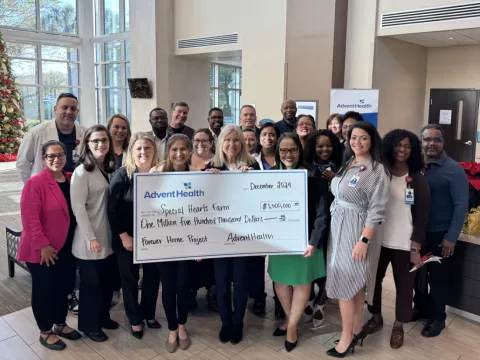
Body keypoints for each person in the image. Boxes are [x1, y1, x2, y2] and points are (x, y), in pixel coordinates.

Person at [326, 121, 390, 357]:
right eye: (353, 137)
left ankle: (346, 338)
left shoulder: (377, 170)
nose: (357, 142)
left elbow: (377, 210)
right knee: (354, 284)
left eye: (363, 137)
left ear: (372, 140)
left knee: (347, 282)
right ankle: (354, 329)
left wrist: (363, 241)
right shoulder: (348, 163)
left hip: (357, 231)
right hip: (339, 228)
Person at [362, 129, 430, 349]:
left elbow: (422, 217)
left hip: (405, 243)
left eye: (407, 146)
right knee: (374, 282)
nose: (402, 149)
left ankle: (399, 325)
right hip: (378, 241)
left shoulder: (417, 179)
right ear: (389, 146)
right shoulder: (379, 172)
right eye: (398, 145)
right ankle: (376, 317)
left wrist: (415, 247)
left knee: (404, 287)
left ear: (413, 150)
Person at [17, 140, 81, 351]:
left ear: (66, 157)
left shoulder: (72, 180)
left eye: (60, 155)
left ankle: (60, 324)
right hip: (43, 249)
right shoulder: (35, 183)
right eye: (51, 156)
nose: (56, 159)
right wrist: (43, 244)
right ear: (43, 159)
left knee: (64, 287)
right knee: (45, 290)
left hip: (66, 247)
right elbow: (30, 219)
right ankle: (46, 331)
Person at [268, 133, 327, 352]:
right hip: (279, 241)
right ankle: (289, 318)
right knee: (280, 281)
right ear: (278, 151)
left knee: (302, 282)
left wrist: (314, 241)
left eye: (293, 149)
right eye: (283, 150)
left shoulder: (312, 174)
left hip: (305, 240)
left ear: (299, 151)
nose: (288, 154)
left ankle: (292, 326)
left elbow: (322, 212)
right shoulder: (270, 174)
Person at [205, 125, 261, 344]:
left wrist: (252, 179)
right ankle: (225, 321)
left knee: (240, 280)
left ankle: (238, 322)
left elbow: (260, 199)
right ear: (220, 143)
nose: (232, 144)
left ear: (243, 143)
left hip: (243, 235)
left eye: (236, 140)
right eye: (227, 140)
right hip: (219, 236)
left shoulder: (252, 165)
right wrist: (206, 179)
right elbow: (203, 202)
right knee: (221, 281)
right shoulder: (212, 166)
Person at [412, 124, 469, 338]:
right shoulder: (416, 166)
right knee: (417, 275)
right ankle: (421, 308)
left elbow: (461, 206)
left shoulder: (453, 169)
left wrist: (451, 238)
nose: (431, 143)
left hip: (439, 234)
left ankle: (437, 318)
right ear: (421, 142)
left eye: (436, 140)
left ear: (443, 143)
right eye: (427, 139)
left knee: (437, 279)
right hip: (417, 233)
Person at [108, 132, 162, 340]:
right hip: (127, 239)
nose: (143, 152)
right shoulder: (122, 175)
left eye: (147, 148)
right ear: (131, 151)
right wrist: (124, 236)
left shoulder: (161, 173)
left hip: (154, 238)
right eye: (138, 148)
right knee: (129, 279)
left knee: (152, 278)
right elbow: (111, 210)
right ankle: (134, 319)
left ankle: (148, 313)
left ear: (154, 151)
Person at [70, 125, 118, 343]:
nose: (101, 144)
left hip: (106, 237)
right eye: (96, 141)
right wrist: (91, 238)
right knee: (92, 286)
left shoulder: (106, 168)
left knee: (106, 283)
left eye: (104, 140)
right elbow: (78, 208)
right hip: (90, 240)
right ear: (87, 145)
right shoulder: (82, 172)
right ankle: (90, 326)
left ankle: (103, 317)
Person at [150, 134, 195, 352]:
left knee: (183, 286)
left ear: (190, 151)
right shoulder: (155, 174)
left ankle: (183, 325)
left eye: (183, 149)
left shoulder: (197, 175)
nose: (179, 153)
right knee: (168, 287)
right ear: (167, 151)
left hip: (187, 242)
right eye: (174, 149)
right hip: (163, 242)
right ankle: (171, 328)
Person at [302, 130, 342, 328]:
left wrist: (335, 179)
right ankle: (309, 296)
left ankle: (321, 301)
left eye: (328, 145)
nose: (325, 149)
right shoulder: (306, 167)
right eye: (320, 146)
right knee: (311, 259)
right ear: (312, 147)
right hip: (313, 222)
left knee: (328, 261)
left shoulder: (341, 167)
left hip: (336, 223)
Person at [17, 93, 86, 183]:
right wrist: (32, 187)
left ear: (77, 112)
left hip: (77, 186)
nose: (69, 112)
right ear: (55, 109)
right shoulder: (36, 133)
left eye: (73, 109)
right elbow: (22, 164)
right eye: (64, 107)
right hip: (45, 187)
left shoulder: (85, 133)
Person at [106, 113, 131, 306]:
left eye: (124, 127)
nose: (120, 131)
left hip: (124, 211)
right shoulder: (102, 151)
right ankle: (112, 289)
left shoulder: (131, 151)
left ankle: (119, 289)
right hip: (104, 208)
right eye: (116, 127)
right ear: (109, 128)